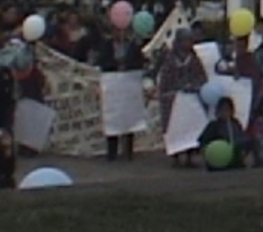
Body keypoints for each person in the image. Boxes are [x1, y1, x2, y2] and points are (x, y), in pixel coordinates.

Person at [157, 27, 208, 168]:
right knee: (175, 129)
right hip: (173, 100)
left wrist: (194, 86)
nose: (188, 43)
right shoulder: (170, 59)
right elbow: (165, 80)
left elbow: (202, 77)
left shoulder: (194, 59)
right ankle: (176, 156)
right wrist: (172, 90)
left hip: (190, 99)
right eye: (186, 40)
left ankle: (190, 155)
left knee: (191, 128)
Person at [96, 27, 147, 161]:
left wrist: (128, 65)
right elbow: (101, 61)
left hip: (128, 85)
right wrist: (115, 64)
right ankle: (112, 152)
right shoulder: (106, 45)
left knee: (129, 116)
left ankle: (128, 151)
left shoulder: (133, 46)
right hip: (113, 86)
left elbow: (140, 61)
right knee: (112, 117)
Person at [198, 96, 249, 171]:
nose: (225, 112)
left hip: (234, 159)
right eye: (222, 110)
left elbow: (241, 139)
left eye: (227, 110)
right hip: (217, 160)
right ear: (218, 111)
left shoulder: (235, 124)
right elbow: (203, 143)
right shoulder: (213, 125)